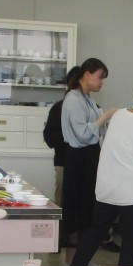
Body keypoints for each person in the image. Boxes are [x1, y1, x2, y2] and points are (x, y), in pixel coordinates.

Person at [70, 80, 133, 266]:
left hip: (106, 187)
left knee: (95, 232)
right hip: (130, 194)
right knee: (131, 239)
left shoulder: (119, 114)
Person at [59, 58, 118, 262]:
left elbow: (99, 129)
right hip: (78, 159)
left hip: (91, 157)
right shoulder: (73, 99)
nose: (101, 82)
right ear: (87, 75)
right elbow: (83, 134)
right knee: (76, 209)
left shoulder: (88, 99)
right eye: (100, 77)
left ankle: (82, 259)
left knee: (88, 210)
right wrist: (107, 114)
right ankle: (72, 261)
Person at [43, 66, 80, 207]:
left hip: (86, 164)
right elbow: (49, 138)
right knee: (62, 200)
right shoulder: (58, 108)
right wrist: (70, 134)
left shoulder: (93, 107)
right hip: (64, 162)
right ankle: (59, 229)